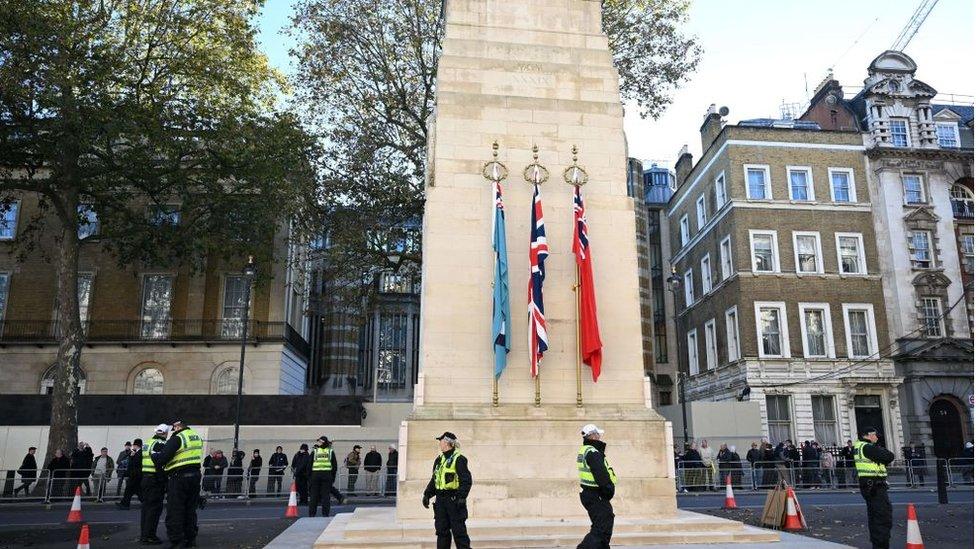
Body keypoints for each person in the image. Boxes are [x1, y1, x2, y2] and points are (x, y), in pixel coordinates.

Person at [151, 420, 203, 548]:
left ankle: (177, 541)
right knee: (190, 510)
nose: (173, 431)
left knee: (175, 511)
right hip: (195, 476)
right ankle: (190, 540)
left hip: (179, 477)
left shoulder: (178, 438)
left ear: (178, 426)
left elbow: (163, 458)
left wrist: (155, 456)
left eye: (174, 428)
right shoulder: (196, 436)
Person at [422, 432, 471, 549]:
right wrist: (427, 494)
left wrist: (461, 497)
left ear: (448, 443)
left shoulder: (459, 459)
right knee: (442, 531)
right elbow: (435, 479)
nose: (440, 443)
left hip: (454, 499)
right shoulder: (439, 460)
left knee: (459, 532)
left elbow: (466, 480)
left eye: (441, 441)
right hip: (440, 500)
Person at [575, 424, 615, 549]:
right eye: (597, 434)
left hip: (590, 494)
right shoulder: (593, 452)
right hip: (596, 495)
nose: (599, 437)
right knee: (602, 527)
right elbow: (601, 475)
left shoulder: (585, 450)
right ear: (592, 435)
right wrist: (608, 491)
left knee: (602, 525)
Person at [854, 427, 895, 549]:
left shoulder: (859, 446)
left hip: (869, 485)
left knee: (874, 516)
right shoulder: (867, 447)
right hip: (875, 486)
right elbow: (889, 456)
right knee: (882, 517)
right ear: (867, 435)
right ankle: (881, 545)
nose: (877, 437)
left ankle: (877, 543)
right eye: (875, 435)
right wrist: (879, 448)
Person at [140, 425, 170, 544]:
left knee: (146, 508)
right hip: (155, 479)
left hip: (146, 478)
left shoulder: (148, 442)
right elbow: (158, 461)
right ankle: (149, 536)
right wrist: (163, 478)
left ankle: (144, 534)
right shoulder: (160, 444)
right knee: (154, 509)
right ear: (165, 433)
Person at [309, 436, 344, 517]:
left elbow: (309, 464)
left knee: (314, 495)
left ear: (322, 442)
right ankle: (325, 514)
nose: (318, 443)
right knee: (325, 496)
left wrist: (310, 477)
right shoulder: (330, 451)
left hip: (315, 475)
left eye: (319, 441)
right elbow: (334, 466)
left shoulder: (315, 451)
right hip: (327, 475)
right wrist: (332, 477)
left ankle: (312, 514)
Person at [117, 439, 142, 509]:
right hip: (133, 475)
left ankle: (125, 504)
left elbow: (135, 464)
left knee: (135, 491)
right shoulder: (136, 452)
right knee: (130, 490)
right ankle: (124, 504)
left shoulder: (140, 453)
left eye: (133, 445)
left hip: (136, 475)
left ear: (136, 445)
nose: (132, 447)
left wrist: (132, 456)